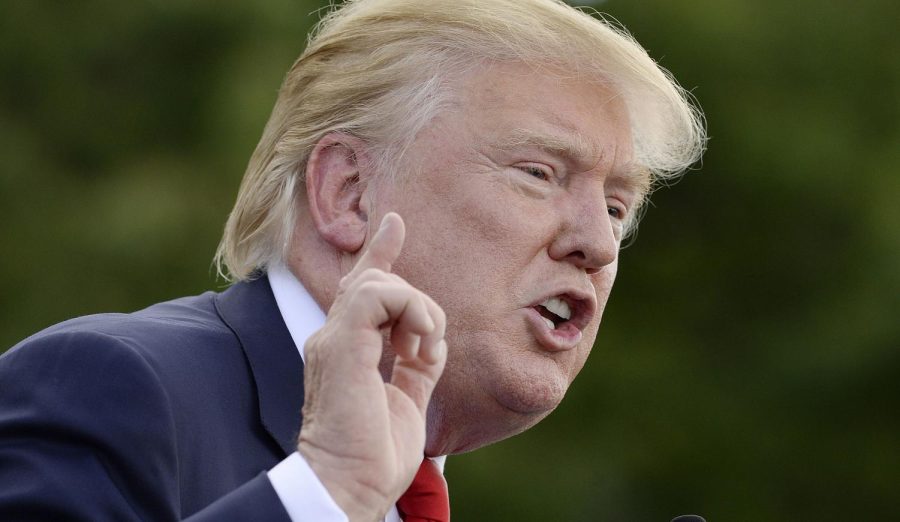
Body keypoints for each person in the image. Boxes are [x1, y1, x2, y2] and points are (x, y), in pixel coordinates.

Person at [0, 0, 705, 520]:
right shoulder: (107, 386)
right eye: (538, 173)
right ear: (349, 193)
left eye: (617, 206)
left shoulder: (409, 486)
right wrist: (325, 490)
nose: (600, 244)